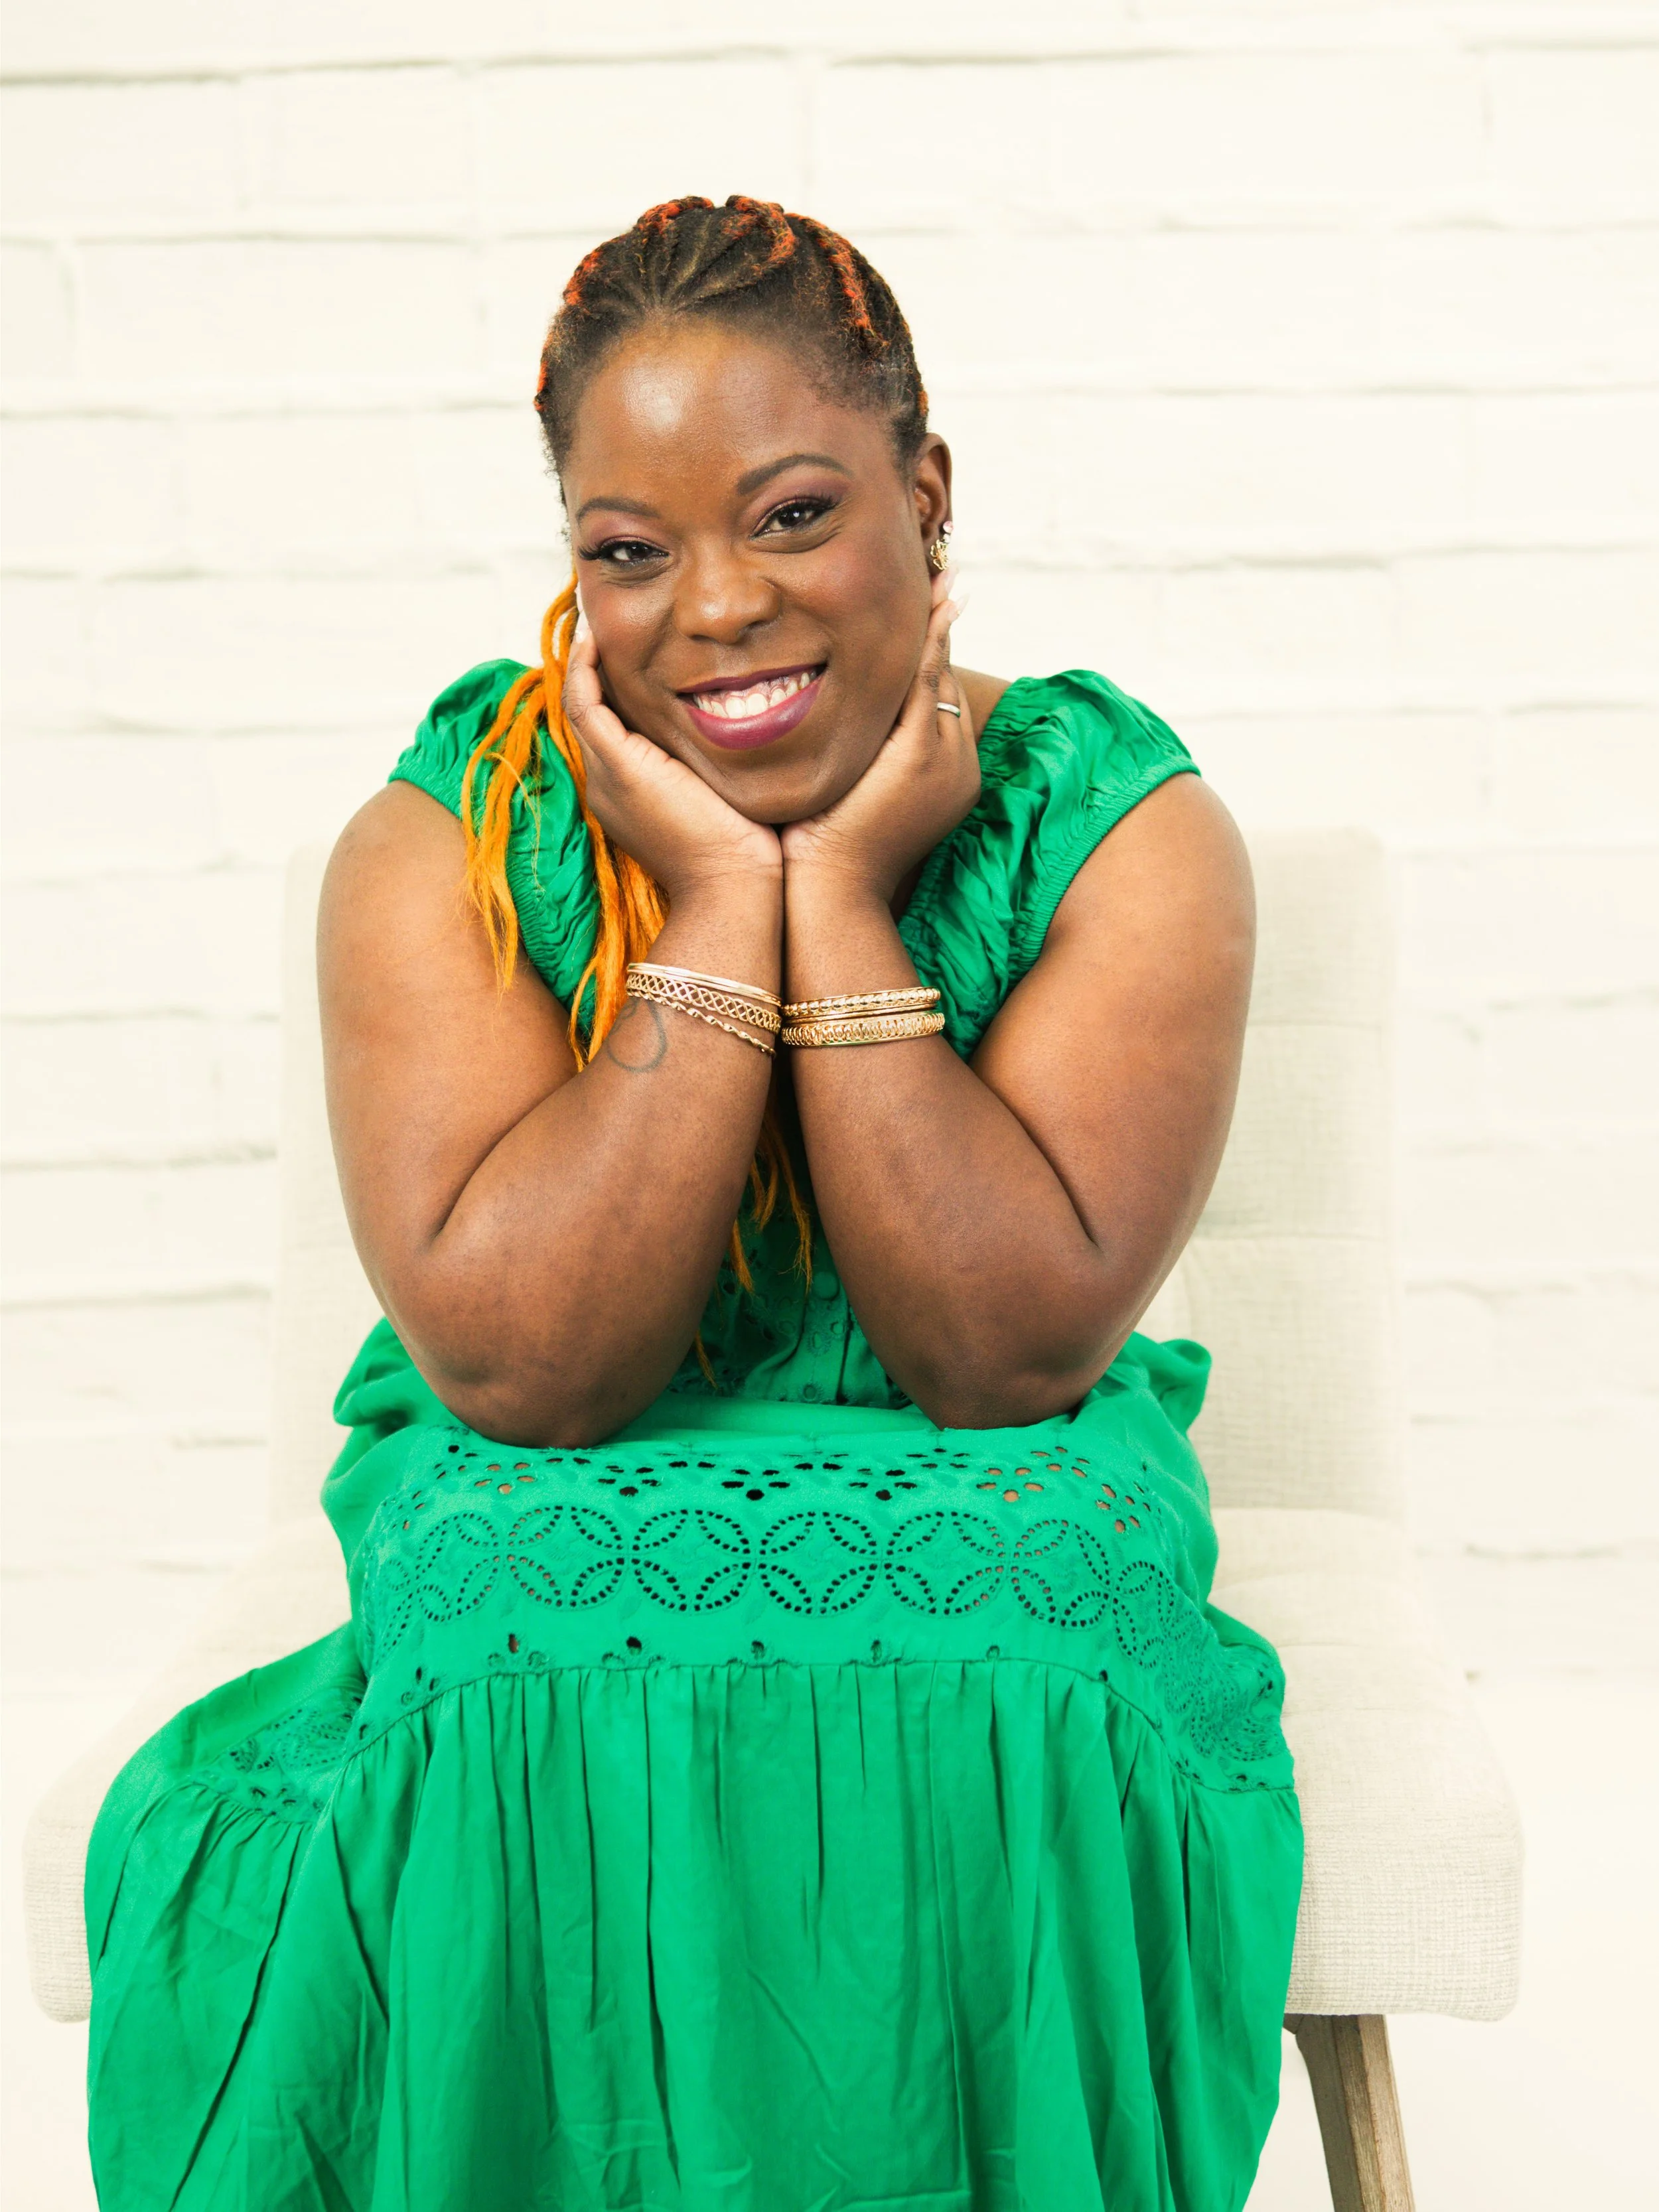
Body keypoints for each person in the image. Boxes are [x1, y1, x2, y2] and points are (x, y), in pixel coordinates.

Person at [85, 195, 1301, 2211]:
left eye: (793, 515)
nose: (715, 606)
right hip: (551, 1457)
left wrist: (843, 898)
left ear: (926, 494)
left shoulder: (1120, 827)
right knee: (514, 1624)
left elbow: (997, 1357)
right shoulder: (454, 837)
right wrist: (725, 906)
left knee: (1022, 1623)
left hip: (987, 1458)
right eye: (629, 552)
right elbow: (532, 1374)